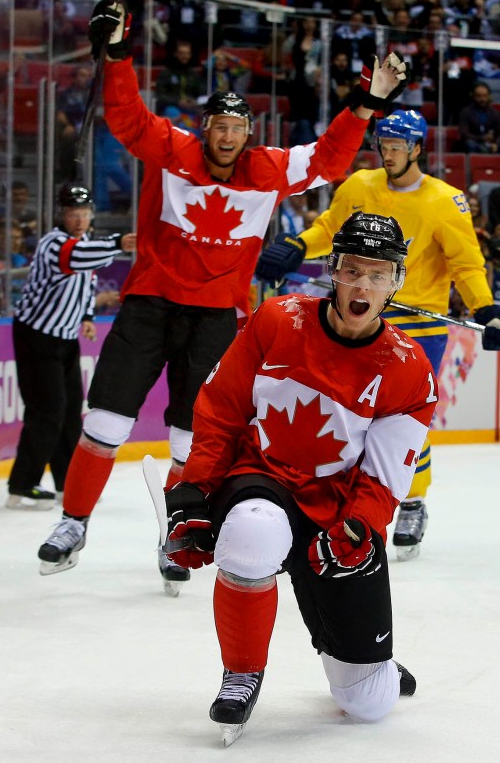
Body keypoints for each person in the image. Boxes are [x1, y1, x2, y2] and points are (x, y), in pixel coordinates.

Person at [36, 0, 409, 584]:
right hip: (151, 300)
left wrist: (368, 102)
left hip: (217, 316)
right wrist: (119, 54)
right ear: (205, 128)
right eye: (220, 126)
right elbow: (129, 118)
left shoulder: (268, 170)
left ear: (248, 134)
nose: (229, 136)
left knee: (191, 437)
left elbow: (330, 158)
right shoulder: (174, 151)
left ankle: (174, 533)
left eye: (239, 127)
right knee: (106, 421)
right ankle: (74, 520)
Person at [162, 212, 436, 746]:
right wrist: (194, 489)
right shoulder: (276, 320)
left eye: (378, 274)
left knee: (368, 705)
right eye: (352, 269)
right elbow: (222, 411)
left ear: (395, 282)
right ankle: (242, 673)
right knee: (252, 529)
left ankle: (370, 668)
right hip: (261, 477)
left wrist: (357, 531)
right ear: (333, 270)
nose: (363, 285)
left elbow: (382, 480)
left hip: (335, 508)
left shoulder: (407, 368)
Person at [255, 109, 500, 561]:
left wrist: (486, 308)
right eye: (384, 145)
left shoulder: (445, 200)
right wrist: (300, 245)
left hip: (419, 327)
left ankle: (414, 501)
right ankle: (347, 497)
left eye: (398, 147)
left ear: (417, 149)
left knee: (404, 423)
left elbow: (466, 265)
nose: (389, 153)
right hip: (361, 314)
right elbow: (331, 230)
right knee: (348, 412)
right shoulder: (359, 185)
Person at [7, 185, 136, 512]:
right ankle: (22, 485)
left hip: (65, 337)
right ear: (61, 216)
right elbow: (74, 259)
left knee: (69, 410)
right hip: (37, 336)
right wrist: (118, 242)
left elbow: (87, 279)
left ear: (91, 213)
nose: (78, 219)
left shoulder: (84, 244)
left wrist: (88, 316)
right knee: (47, 411)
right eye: (71, 213)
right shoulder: (55, 243)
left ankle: (67, 483)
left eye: (83, 212)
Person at [458, 82, 500, 154]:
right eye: (479, 96)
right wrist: (481, 138)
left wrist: (496, 143)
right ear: (473, 96)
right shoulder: (466, 112)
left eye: (485, 96)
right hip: (475, 142)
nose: (482, 99)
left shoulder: (495, 113)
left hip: (491, 144)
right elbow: (464, 133)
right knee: (470, 145)